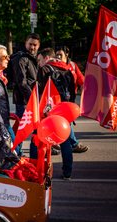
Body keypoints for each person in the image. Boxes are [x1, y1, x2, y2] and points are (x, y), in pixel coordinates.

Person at [36, 48, 74, 180]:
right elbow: (73, 91)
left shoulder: (45, 69)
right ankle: (67, 172)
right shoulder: (67, 68)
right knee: (65, 141)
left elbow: (39, 91)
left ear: (46, 58)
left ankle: (43, 171)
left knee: (44, 141)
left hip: (49, 110)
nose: (39, 63)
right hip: (64, 109)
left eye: (40, 59)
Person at [55, 47, 89, 153]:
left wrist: (86, 93)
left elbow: (81, 80)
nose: (58, 57)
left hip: (70, 99)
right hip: (57, 99)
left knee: (65, 121)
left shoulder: (72, 66)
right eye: (57, 54)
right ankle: (73, 144)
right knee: (65, 121)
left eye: (60, 54)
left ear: (67, 54)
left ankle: (57, 143)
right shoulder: (53, 65)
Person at [10, 33, 41, 118]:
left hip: (31, 98)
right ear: (25, 43)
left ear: (38, 45)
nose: (32, 47)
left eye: (35, 45)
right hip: (23, 100)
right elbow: (21, 82)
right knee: (24, 128)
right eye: (30, 44)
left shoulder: (33, 58)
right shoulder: (21, 58)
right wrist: (32, 98)